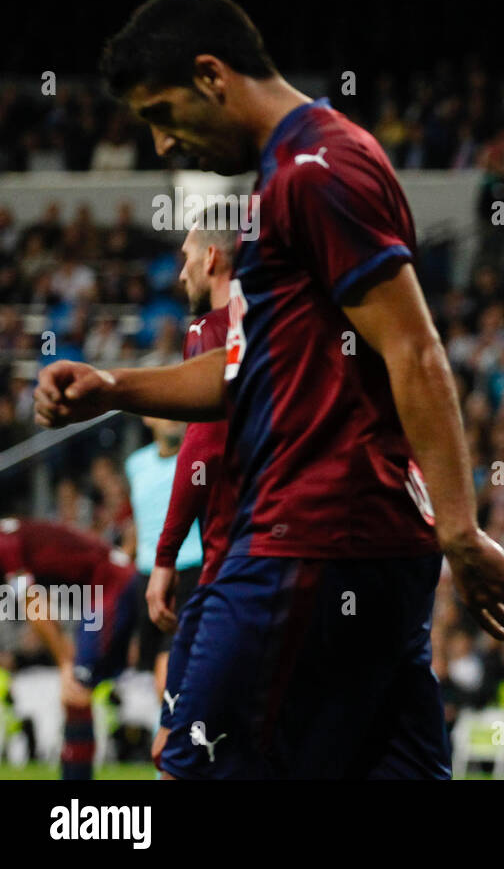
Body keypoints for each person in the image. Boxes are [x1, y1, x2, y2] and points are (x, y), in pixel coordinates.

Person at [34, 0, 504, 779]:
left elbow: (416, 351)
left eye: (163, 114)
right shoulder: (296, 173)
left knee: (198, 768)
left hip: (308, 536)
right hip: (357, 539)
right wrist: (112, 387)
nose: (165, 144)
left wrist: (460, 527)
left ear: (213, 75)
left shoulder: (314, 170)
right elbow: (248, 375)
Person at [146, 219, 236, 764]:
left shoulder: (213, 329)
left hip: (236, 566)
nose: (180, 273)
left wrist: (163, 558)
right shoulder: (287, 324)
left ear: (211, 258)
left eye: (185, 258)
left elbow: (202, 449)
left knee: (177, 748)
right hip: (285, 556)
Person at [0, 517, 137, 779]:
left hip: (111, 585)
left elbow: (32, 602)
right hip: (106, 586)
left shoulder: (5, 545)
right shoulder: (10, 534)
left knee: (75, 688)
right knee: (76, 691)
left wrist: (64, 660)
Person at [122, 416, 203, 702]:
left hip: (190, 573)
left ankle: (176, 742)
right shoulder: (135, 465)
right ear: (147, 418)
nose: (171, 419)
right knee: (155, 678)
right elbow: (138, 519)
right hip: (147, 577)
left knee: (168, 674)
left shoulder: (198, 459)